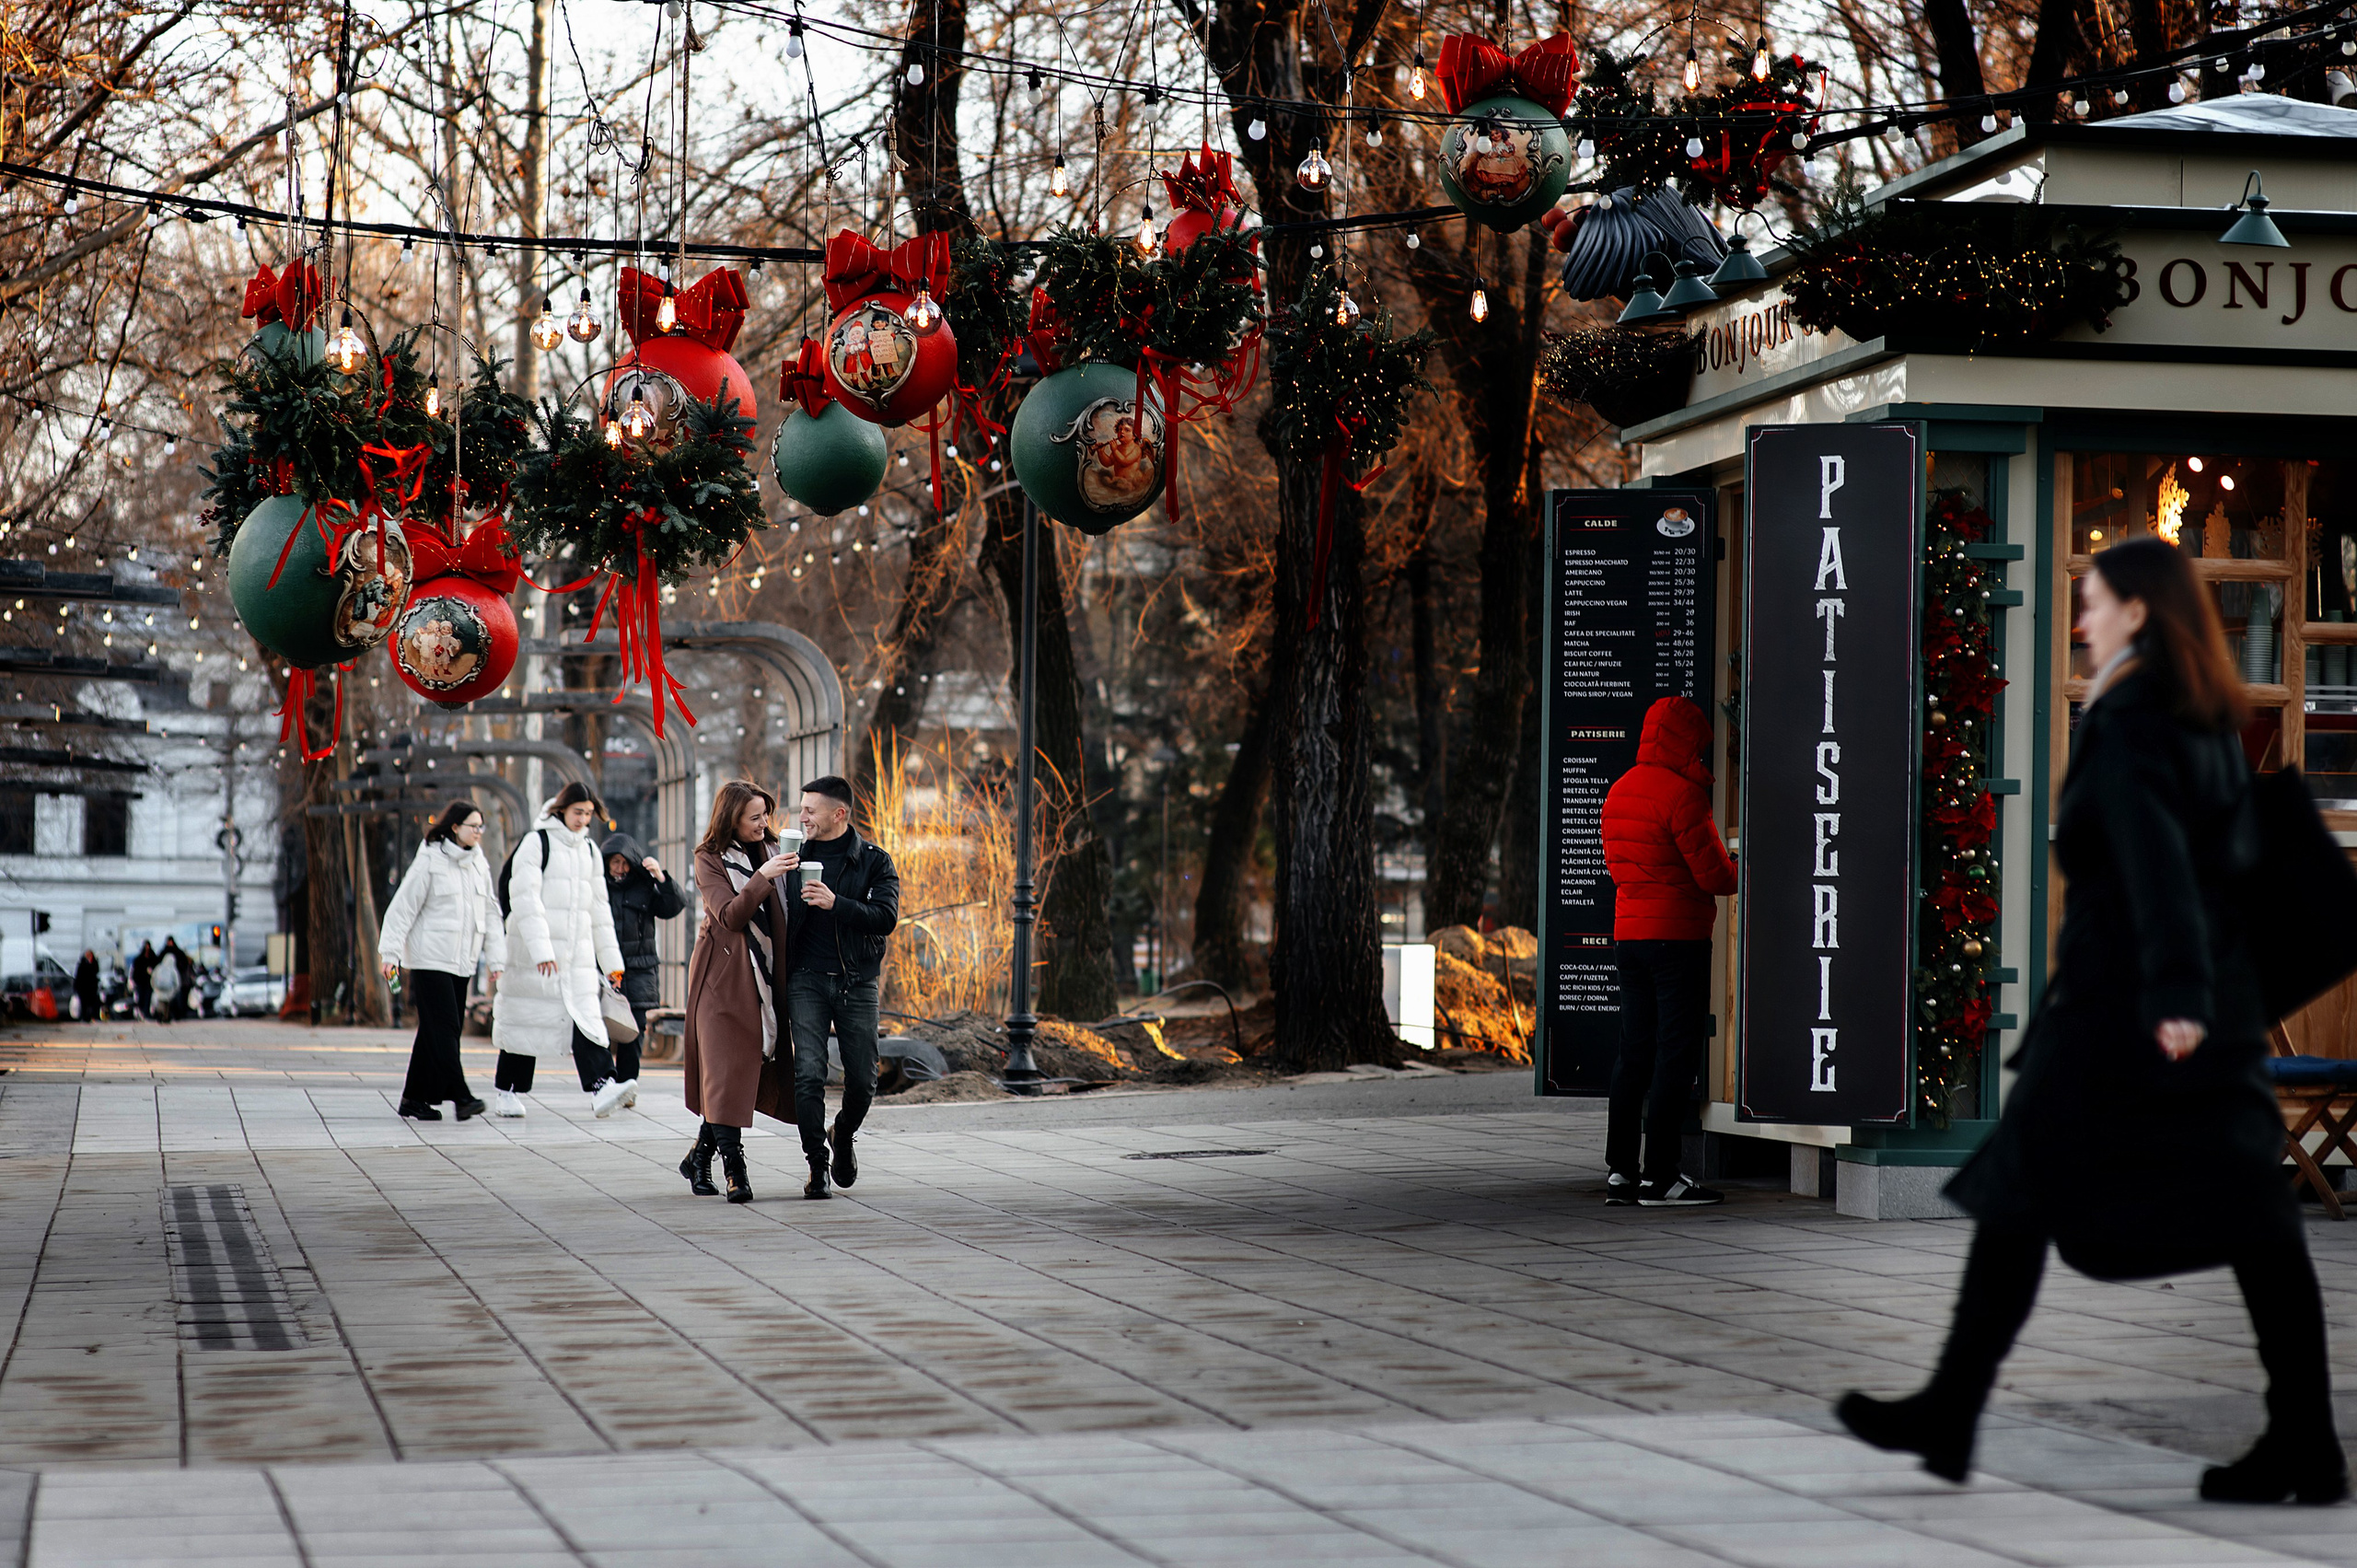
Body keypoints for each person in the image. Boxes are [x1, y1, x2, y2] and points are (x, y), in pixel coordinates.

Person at [1838, 538, 2345, 1504]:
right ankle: (2301, 1439)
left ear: (2139, 611)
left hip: (2133, 1017)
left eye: (2092, 601)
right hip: (2188, 1011)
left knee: (2077, 1198)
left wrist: (2174, 998)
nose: (2080, 620)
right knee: (2236, 1217)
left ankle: (1954, 1406)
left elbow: (2159, 865)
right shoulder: (2200, 711)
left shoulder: (2131, 717)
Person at [1599, 695, 1738, 1208]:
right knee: (1675, 1053)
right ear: (1685, 741)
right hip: (1676, 938)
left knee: (1632, 1052)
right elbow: (1715, 876)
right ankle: (1663, 1176)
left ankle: (1621, 1171)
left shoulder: (1619, 791)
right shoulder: (1682, 796)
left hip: (1629, 937)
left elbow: (1621, 867)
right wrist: (1744, 869)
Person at [783, 775, 900, 1201]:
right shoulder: (791, 857)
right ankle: (817, 1165)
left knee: (864, 1079)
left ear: (839, 814)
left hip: (857, 981)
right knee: (809, 1073)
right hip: (806, 981)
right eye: (802, 808)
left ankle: (843, 1133)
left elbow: (885, 916)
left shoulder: (873, 860)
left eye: (811, 810)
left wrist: (838, 903)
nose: (803, 816)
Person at [680, 781, 795, 1203]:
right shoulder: (707, 858)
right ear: (731, 817)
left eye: (766, 814)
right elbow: (728, 915)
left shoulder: (776, 847)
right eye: (754, 817)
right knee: (726, 1070)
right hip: (723, 977)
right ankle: (735, 1172)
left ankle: (698, 1157)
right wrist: (763, 878)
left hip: (767, 976)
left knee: (733, 1074)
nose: (764, 823)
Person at [490, 782, 630, 1119]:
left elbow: (599, 910)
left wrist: (612, 963)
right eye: (577, 812)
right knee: (527, 1022)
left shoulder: (591, 851)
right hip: (534, 958)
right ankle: (508, 1091)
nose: (583, 819)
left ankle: (602, 1087)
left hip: (577, 959)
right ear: (561, 809)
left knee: (587, 1020)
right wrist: (541, 950)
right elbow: (523, 898)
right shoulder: (536, 843)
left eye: (588, 814)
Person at [378, 800, 506, 1122]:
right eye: (473, 826)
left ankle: (413, 1099)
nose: (478, 831)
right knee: (447, 1028)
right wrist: (390, 954)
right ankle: (461, 1096)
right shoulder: (431, 860)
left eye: (481, 826)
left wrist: (497, 960)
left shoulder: (479, 863)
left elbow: (491, 913)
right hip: (430, 959)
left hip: (462, 962)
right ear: (455, 828)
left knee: (434, 1032)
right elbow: (402, 907)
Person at [603, 828, 686, 1094]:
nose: (620, 868)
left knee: (633, 1030)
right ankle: (604, 1083)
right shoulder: (596, 888)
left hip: (639, 970)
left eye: (625, 862)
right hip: (604, 969)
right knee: (598, 1027)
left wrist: (661, 877)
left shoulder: (644, 887)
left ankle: (627, 1084)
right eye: (614, 862)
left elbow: (673, 906)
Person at [150, 938, 185, 1024]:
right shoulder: (173, 969)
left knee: (160, 1003)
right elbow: (177, 981)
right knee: (167, 1004)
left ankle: (159, 1015)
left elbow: (153, 977)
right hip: (169, 991)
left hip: (159, 989)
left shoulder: (159, 967)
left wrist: (154, 986)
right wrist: (176, 989)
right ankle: (166, 1017)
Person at [72, 949, 100, 1024]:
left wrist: (92, 962)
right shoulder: (82, 963)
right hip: (83, 987)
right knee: (84, 1004)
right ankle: (84, 1018)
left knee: (92, 1003)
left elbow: (96, 971)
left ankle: (92, 1017)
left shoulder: (94, 962)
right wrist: (76, 987)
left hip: (92, 988)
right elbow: (78, 976)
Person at [130, 940, 156, 1020]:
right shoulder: (139, 959)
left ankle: (146, 1013)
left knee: (148, 998)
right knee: (141, 999)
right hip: (141, 982)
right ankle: (141, 1013)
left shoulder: (153, 958)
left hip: (149, 983)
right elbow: (135, 972)